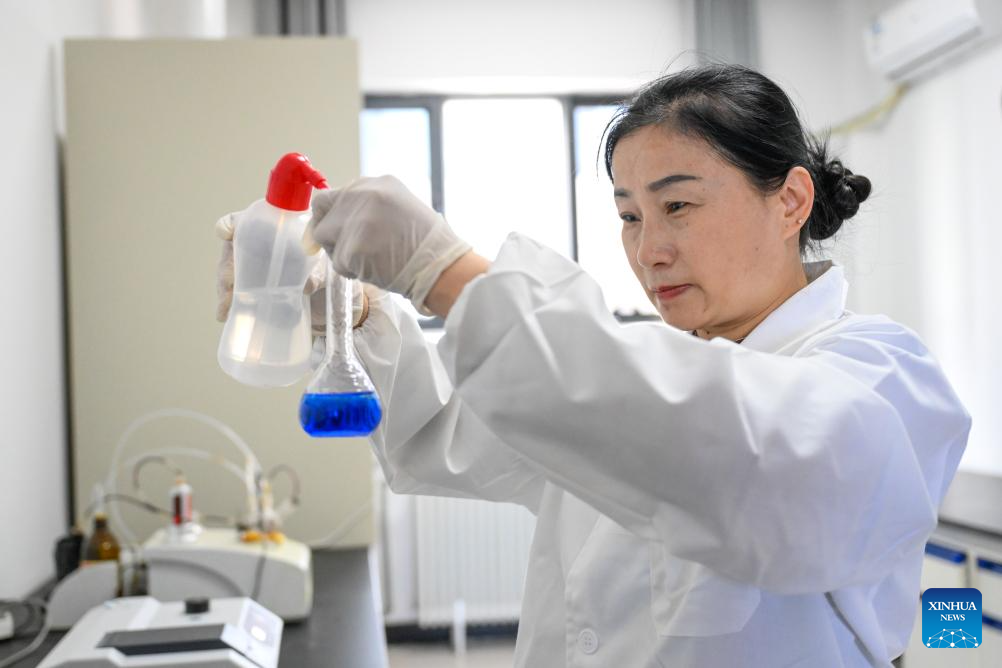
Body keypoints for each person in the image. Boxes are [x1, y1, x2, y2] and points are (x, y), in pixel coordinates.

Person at [215, 64, 971, 667]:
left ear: (791, 201)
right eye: (629, 216)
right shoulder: (639, 371)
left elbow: (752, 465)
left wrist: (446, 273)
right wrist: (355, 318)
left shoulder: (881, 375)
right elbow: (443, 435)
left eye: (678, 206)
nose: (649, 250)